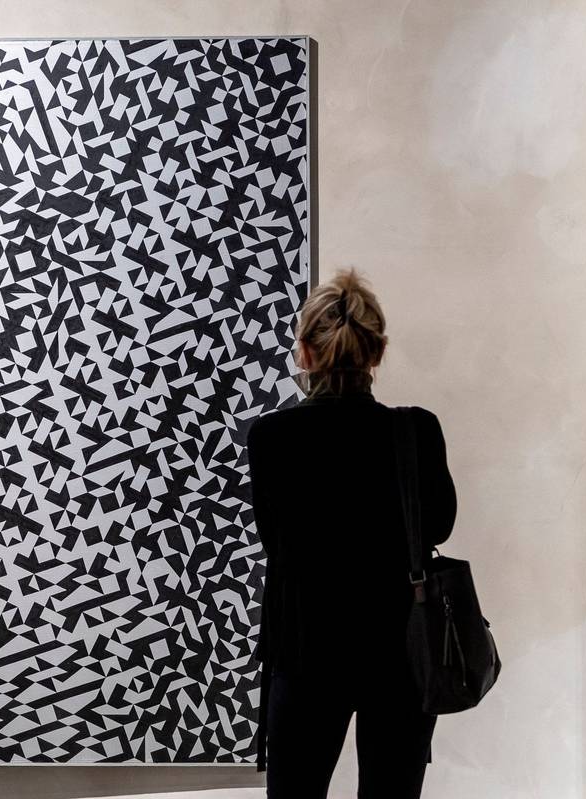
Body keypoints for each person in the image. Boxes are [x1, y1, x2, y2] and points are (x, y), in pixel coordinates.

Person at [248, 269, 456, 798]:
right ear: (377, 352)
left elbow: (276, 543)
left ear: (304, 353)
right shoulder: (415, 430)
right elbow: (439, 526)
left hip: (305, 648)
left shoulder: (272, 437)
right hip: (398, 649)